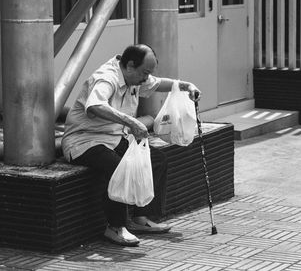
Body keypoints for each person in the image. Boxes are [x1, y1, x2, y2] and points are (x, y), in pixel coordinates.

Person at [61, 44, 201, 246]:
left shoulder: (134, 76)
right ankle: (115, 227)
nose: (146, 78)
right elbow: (95, 105)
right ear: (130, 66)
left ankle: (141, 219)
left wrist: (186, 86)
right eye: (144, 73)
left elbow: (157, 83)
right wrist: (131, 122)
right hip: (83, 141)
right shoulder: (106, 77)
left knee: (157, 160)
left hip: (113, 137)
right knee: (120, 167)